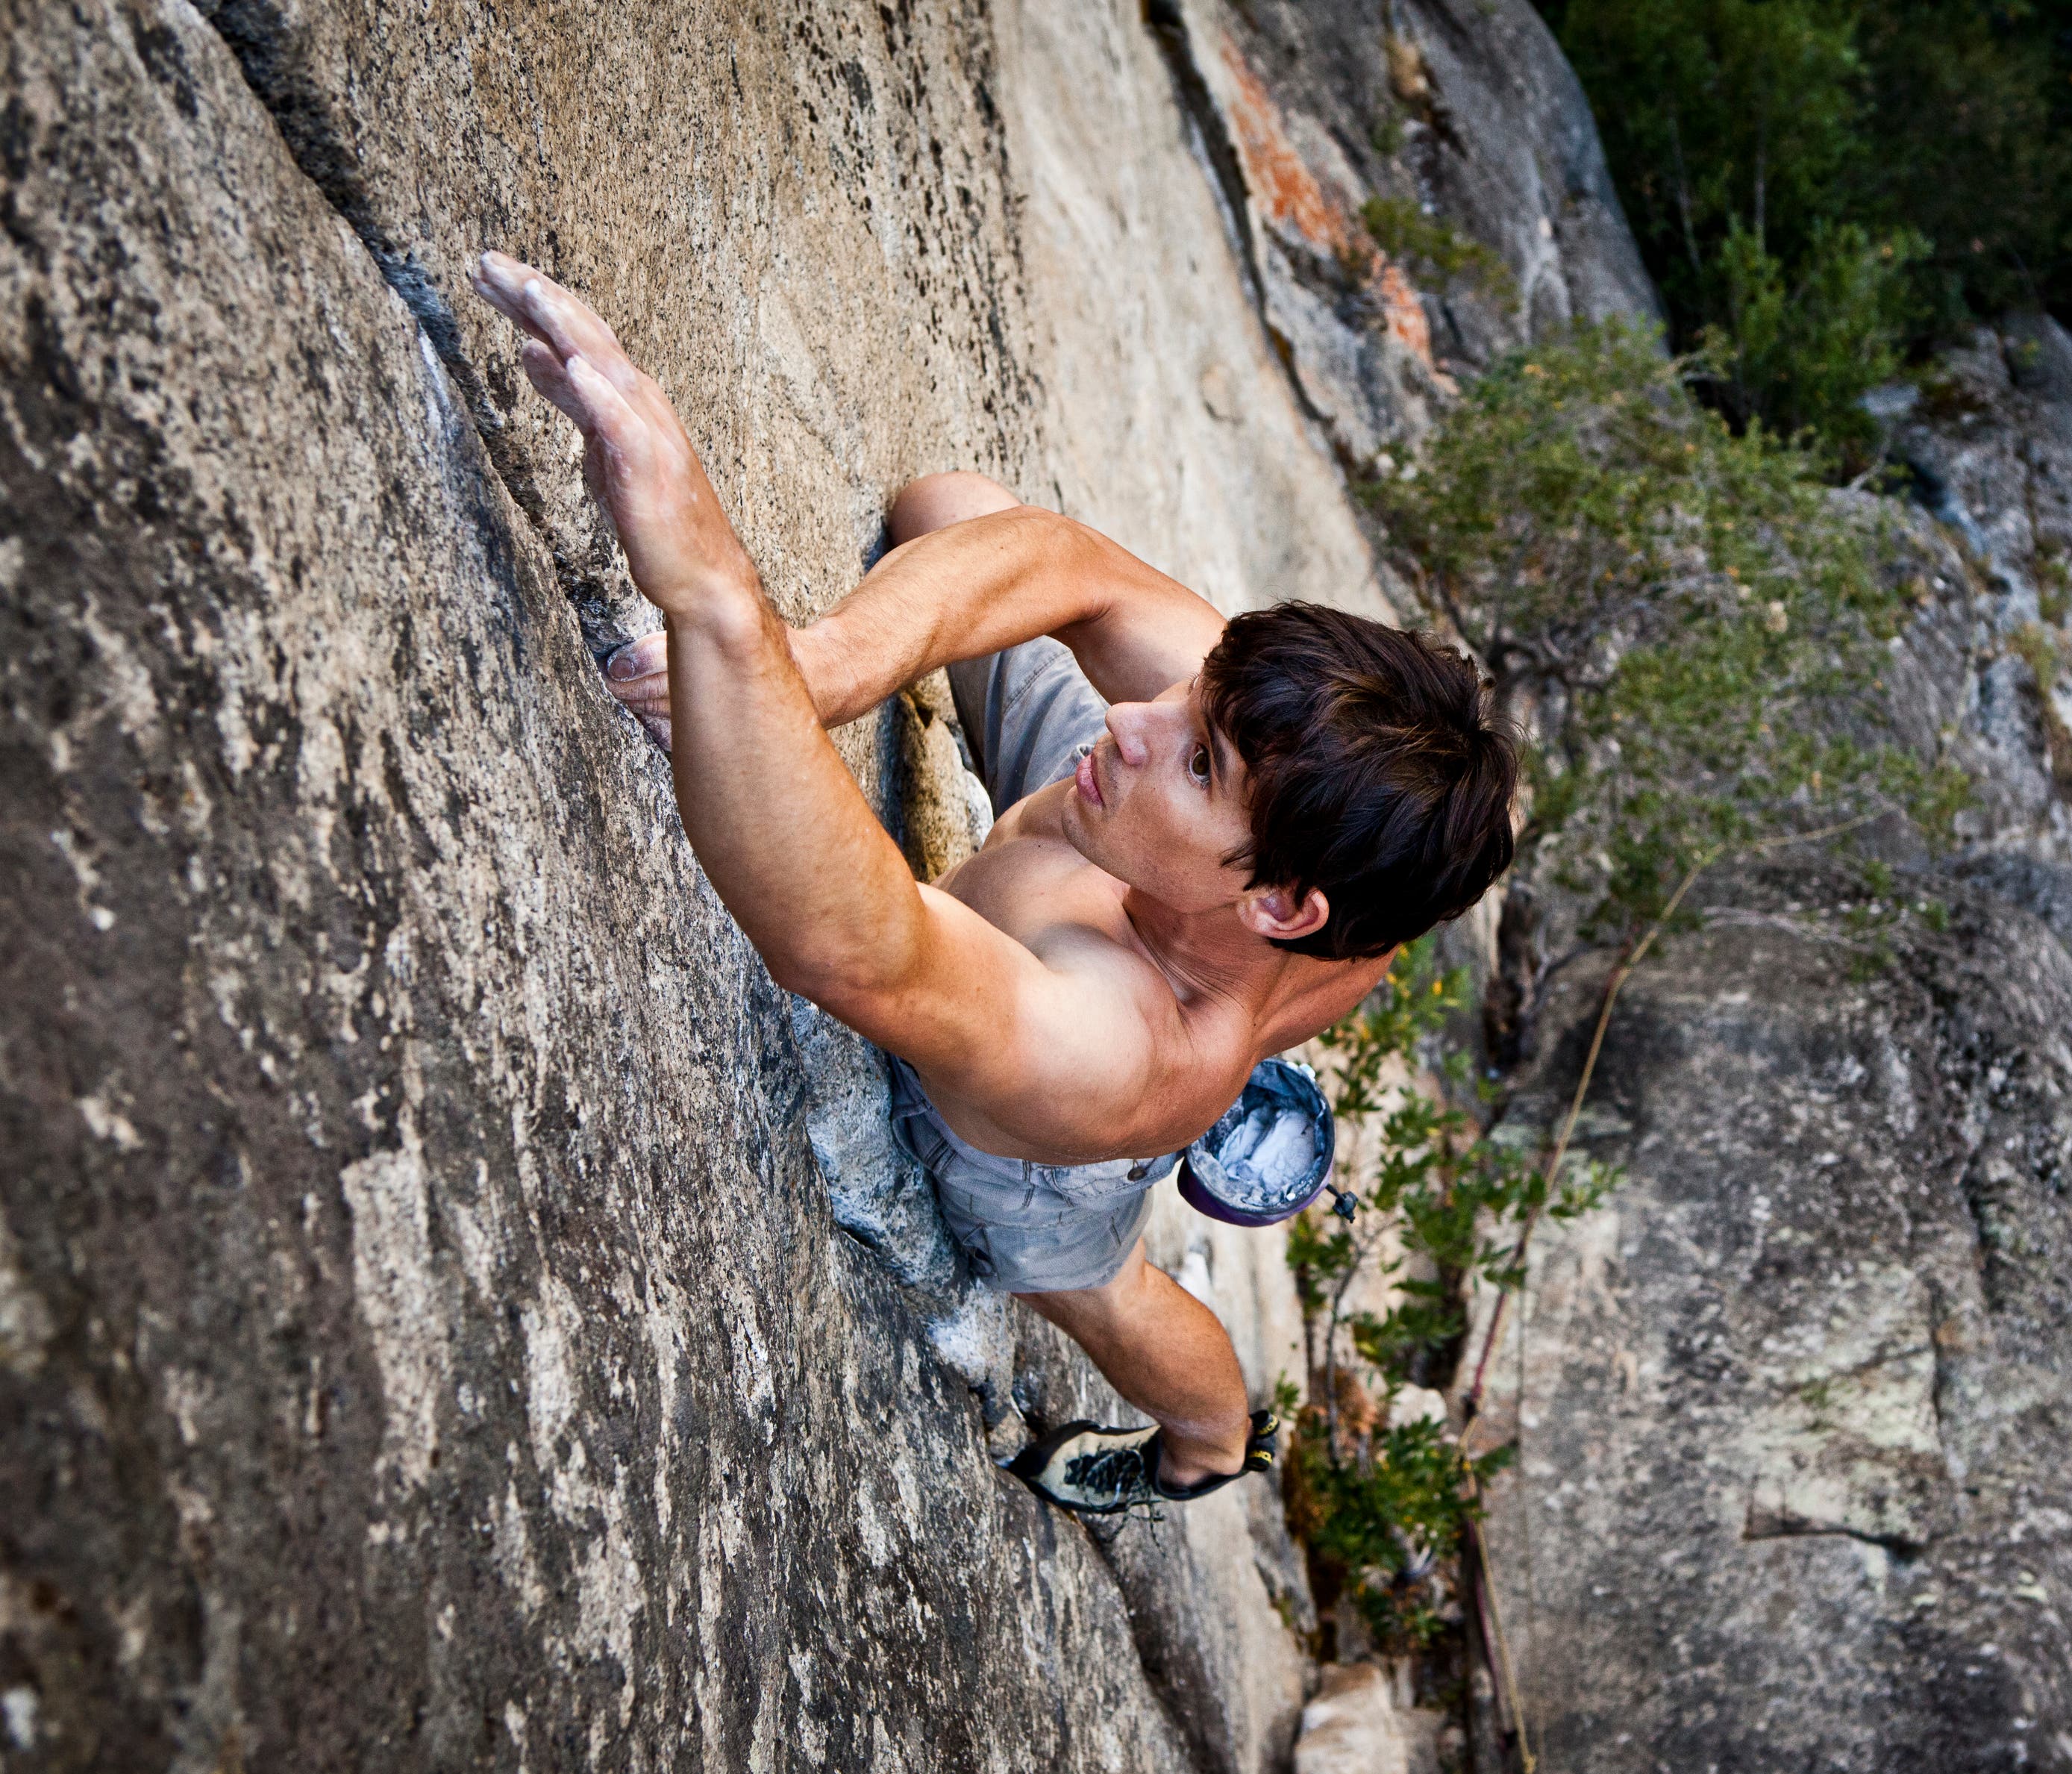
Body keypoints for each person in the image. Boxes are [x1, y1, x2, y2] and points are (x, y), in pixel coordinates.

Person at [467, 252, 1517, 1514]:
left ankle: (1207, 1442)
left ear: (1284, 905)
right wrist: (830, 664)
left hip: (1056, 1145)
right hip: (1128, 872)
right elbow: (1067, 561)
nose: (1138, 715)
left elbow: (854, 947)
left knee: (1094, 1281)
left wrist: (722, 616)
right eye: (1199, 688)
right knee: (947, 507)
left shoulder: (1115, 1046)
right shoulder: (1299, 801)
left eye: (1198, 753)